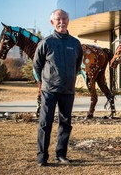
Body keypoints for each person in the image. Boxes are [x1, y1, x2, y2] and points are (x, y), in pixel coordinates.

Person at [33, 9, 83, 167]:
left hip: (68, 91)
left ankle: (61, 154)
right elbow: (37, 66)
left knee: (65, 124)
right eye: (58, 19)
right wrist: (43, 85)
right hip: (49, 91)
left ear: (68, 21)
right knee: (45, 123)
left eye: (65, 19)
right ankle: (42, 156)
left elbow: (77, 65)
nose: (62, 21)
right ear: (52, 22)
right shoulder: (46, 43)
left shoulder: (75, 43)